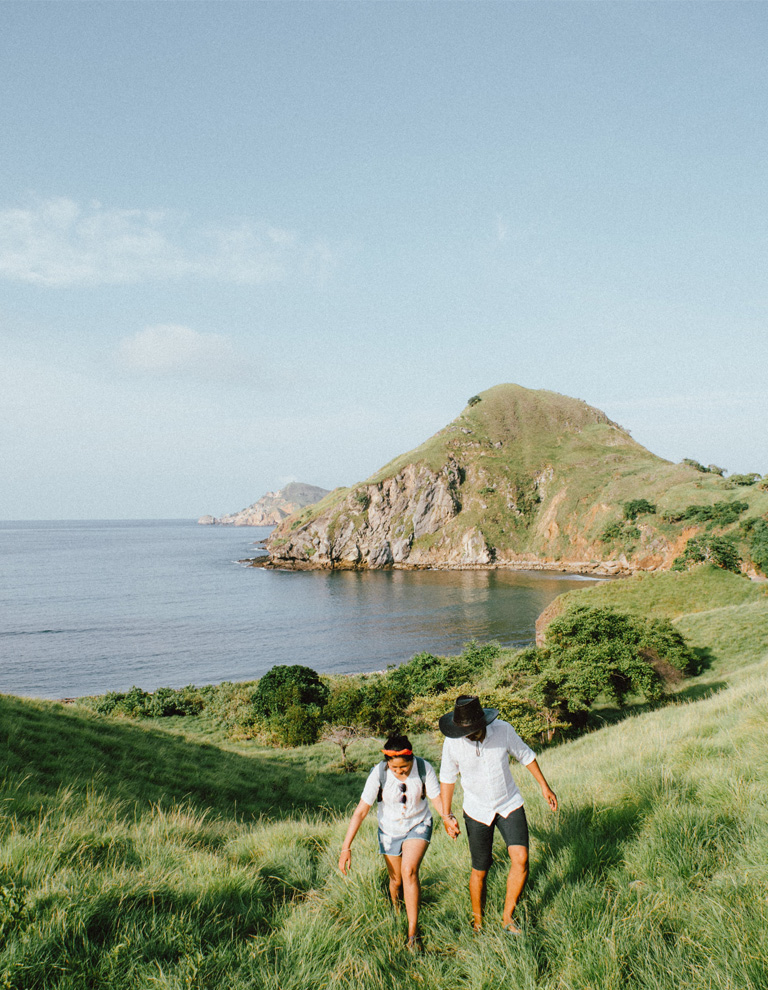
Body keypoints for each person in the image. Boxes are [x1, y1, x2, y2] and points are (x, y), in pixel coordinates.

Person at [438, 695, 558, 933]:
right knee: (480, 869)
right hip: (476, 810)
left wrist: (544, 786)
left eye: (473, 730)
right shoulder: (452, 742)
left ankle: (508, 917)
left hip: (508, 803)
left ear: (483, 723)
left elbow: (525, 755)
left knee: (521, 859)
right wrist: (446, 815)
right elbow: (447, 778)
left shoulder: (503, 730)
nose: (469, 735)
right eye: (465, 731)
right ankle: (478, 923)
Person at [338, 733, 452, 950]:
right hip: (389, 830)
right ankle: (397, 908)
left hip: (418, 823)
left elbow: (436, 798)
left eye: (404, 768)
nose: (400, 772)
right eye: (395, 768)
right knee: (396, 881)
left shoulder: (423, 768)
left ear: (411, 760)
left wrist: (447, 818)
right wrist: (346, 848)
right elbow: (361, 811)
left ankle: (412, 933)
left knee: (409, 871)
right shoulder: (378, 773)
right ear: (387, 763)